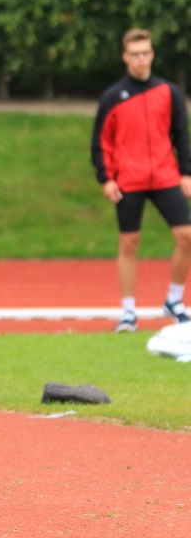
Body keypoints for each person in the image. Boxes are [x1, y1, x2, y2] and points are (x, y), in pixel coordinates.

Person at [91, 28, 191, 332]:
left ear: (153, 54)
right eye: (135, 54)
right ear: (125, 57)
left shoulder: (169, 91)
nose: (141, 58)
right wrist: (106, 178)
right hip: (129, 180)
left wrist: (186, 173)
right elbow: (100, 141)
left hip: (164, 175)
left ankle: (174, 301)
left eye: (146, 52)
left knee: (187, 235)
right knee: (129, 243)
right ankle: (128, 312)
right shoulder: (112, 96)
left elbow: (181, 136)